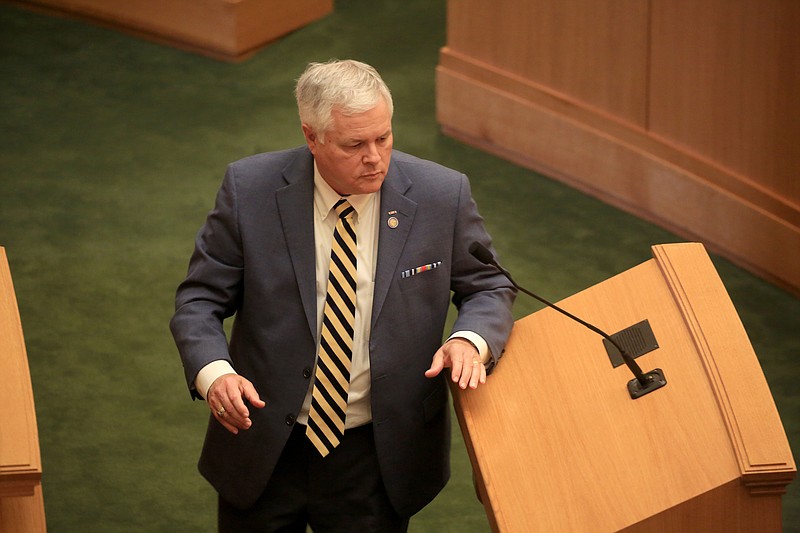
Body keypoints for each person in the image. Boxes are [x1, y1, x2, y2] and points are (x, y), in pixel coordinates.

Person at [170, 59, 516, 532]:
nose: (374, 158)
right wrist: (215, 374)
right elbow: (199, 302)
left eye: (384, 138)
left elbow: (489, 285)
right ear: (312, 138)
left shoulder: (441, 195)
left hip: (378, 452)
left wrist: (470, 339)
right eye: (355, 145)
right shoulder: (250, 190)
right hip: (266, 441)